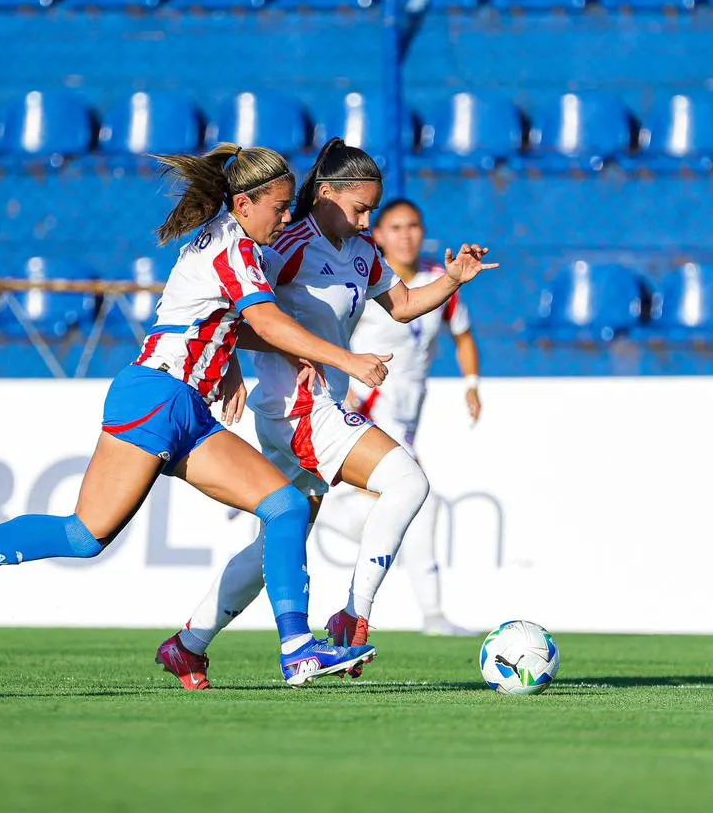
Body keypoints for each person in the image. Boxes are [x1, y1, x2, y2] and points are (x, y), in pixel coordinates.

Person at [0, 143, 392, 687]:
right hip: (154, 397)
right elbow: (267, 323)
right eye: (278, 206)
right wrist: (345, 359)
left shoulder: (237, 246)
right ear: (245, 204)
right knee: (86, 536)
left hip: (187, 408)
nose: (286, 215)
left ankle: (297, 650)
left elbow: (225, 322)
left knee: (288, 507)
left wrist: (230, 361)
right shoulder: (233, 249)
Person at [156, 139, 497, 690]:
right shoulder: (286, 243)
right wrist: (240, 365)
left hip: (317, 403)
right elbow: (235, 309)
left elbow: (404, 303)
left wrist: (453, 278)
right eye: (361, 209)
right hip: (297, 407)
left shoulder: (361, 254)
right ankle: (351, 615)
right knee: (407, 482)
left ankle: (187, 644)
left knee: (280, 535)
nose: (368, 221)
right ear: (325, 194)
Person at [322, 197, 482, 636]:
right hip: (369, 411)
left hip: (408, 417)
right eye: (395, 227)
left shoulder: (439, 282)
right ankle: (430, 615)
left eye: (413, 226)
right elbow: (331, 337)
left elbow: (463, 336)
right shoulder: (365, 284)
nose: (405, 235)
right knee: (419, 500)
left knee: (403, 510)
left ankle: (322, 513)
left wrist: (471, 385)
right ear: (378, 235)